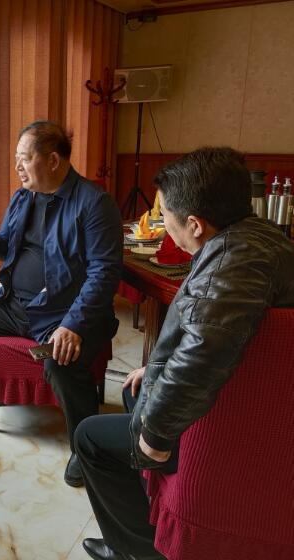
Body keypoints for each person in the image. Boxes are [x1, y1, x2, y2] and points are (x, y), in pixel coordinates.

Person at [75, 147, 294, 560]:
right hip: (244, 396)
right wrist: (155, 369)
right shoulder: (256, 235)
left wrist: (154, 438)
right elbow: (210, 333)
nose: (164, 226)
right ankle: (153, 524)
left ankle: (138, 551)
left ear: (194, 224)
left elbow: (202, 356)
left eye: (165, 217)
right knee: (134, 392)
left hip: (226, 426)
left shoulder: (234, 264)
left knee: (89, 438)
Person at [0, 120, 123, 487]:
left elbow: (104, 273)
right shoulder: (22, 198)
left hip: (65, 312)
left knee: (61, 363)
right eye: (17, 158)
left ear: (54, 160)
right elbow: (6, 248)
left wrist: (73, 325)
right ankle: (25, 375)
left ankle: (84, 448)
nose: (17, 167)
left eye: (24, 159)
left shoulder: (93, 203)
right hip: (15, 304)